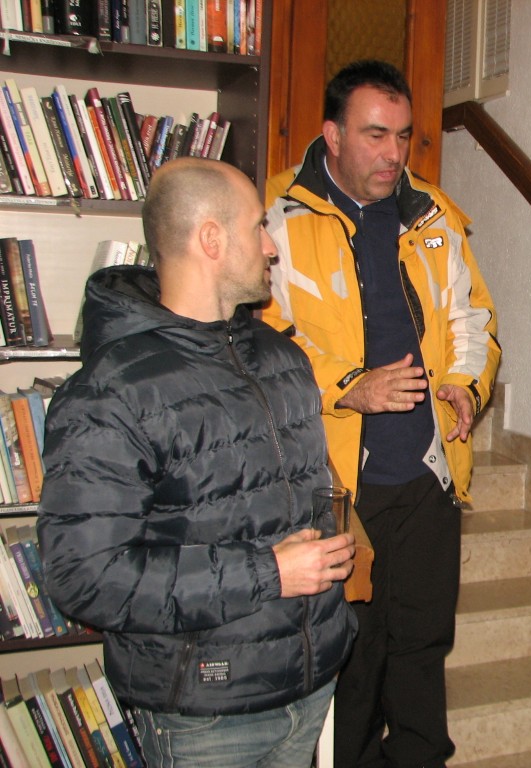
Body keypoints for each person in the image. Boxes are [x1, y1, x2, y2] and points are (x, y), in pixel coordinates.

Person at [36, 157, 357, 768]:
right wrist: (268, 572)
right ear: (211, 238)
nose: (272, 247)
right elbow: (85, 577)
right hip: (204, 713)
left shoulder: (285, 360)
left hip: (311, 685)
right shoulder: (112, 391)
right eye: (259, 227)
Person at [262, 59, 501, 768]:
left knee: (423, 646)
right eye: (374, 135)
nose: (393, 153)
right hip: (336, 484)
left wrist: (465, 386)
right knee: (353, 659)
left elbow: (473, 318)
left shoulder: (433, 213)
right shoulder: (276, 214)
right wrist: (348, 386)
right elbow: (263, 337)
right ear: (332, 135)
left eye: (402, 136)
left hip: (427, 475)